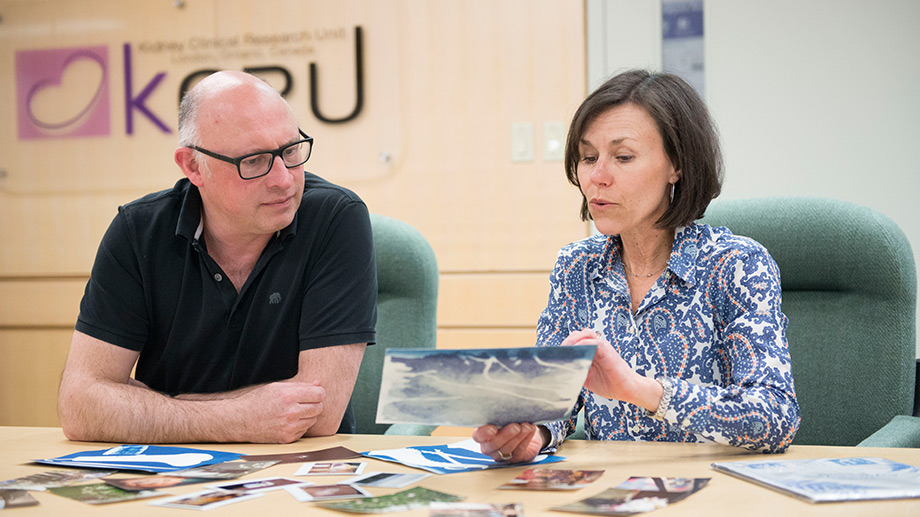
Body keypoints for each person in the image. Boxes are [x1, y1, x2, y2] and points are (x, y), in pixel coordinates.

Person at [473, 69, 800, 462]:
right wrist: (536, 433)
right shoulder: (576, 266)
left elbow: (775, 416)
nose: (597, 177)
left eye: (623, 157)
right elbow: (556, 396)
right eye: (588, 157)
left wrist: (641, 390)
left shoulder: (736, 265)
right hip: (604, 491)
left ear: (676, 165)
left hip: (712, 491)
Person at [58, 71, 376, 444]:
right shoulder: (137, 231)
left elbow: (317, 416)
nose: (284, 180)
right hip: (172, 476)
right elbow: (80, 406)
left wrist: (159, 407)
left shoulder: (337, 219)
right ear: (193, 167)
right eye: (255, 161)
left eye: (291, 151)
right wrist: (239, 416)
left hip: (298, 471)